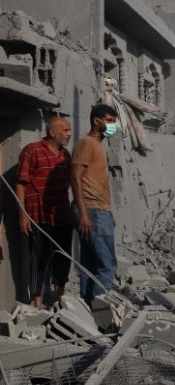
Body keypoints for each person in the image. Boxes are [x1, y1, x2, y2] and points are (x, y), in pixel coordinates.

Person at [15, 117, 73, 308]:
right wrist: (23, 214)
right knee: (39, 261)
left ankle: (57, 302)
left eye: (70, 130)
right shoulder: (32, 150)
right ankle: (37, 304)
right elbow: (20, 184)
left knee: (63, 260)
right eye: (65, 130)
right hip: (38, 217)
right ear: (52, 132)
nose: (69, 134)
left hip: (62, 216)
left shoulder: (66, 155)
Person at [71, 104, 118, 307]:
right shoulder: (86, 144)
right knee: (107, 266)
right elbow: (75, 177)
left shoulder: (97, 145)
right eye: (108, 121)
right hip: (92, 211)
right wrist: (83, 214)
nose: (112, 125)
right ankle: (102, 317)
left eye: (114, 121)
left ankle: (87, 313)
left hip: (97, 211)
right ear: (95, 121)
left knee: (90, 264)